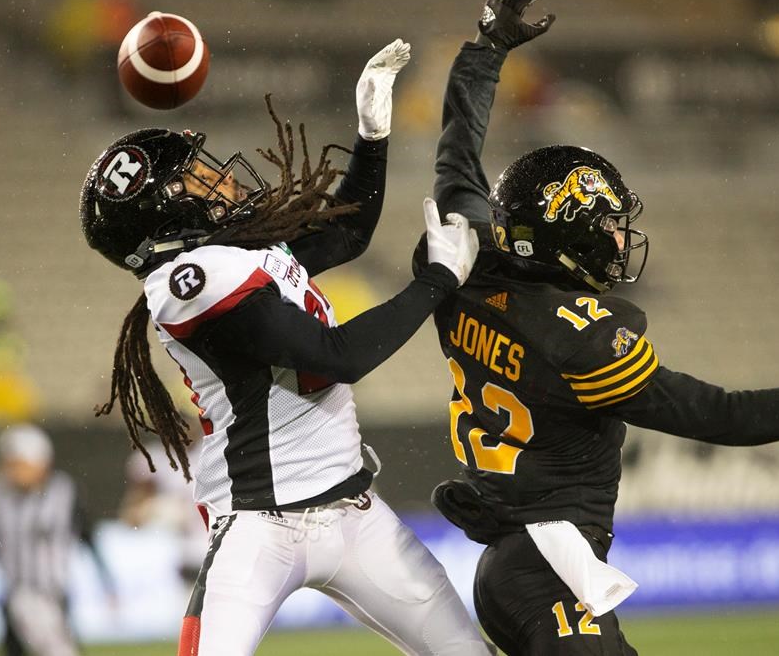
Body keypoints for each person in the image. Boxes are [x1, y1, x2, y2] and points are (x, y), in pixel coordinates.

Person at [422, 0, 779, 654]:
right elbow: (724, 415)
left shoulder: (469, 270)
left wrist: (485, 51)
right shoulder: (579, 337)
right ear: (570, 233)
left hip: (522, 562)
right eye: (610, 226)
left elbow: (455, 157)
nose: (622, 241)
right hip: (546, 567)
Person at [79, 40, 490, 655]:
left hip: (355, 512)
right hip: (257, 527)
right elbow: (337, 354)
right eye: (193, 177)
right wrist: (437, 281)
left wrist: (371, 135)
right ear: (165, 218)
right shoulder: (187, 284)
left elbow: (347, 231)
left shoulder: (236, 256)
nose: (217, 176)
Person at [0, 424, 116, 656]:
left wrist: (106, 582)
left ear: (41, 462)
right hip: (13, 594)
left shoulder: (64, 492)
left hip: (54, 593)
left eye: (19, 463)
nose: (12, 470)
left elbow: (87, 537)